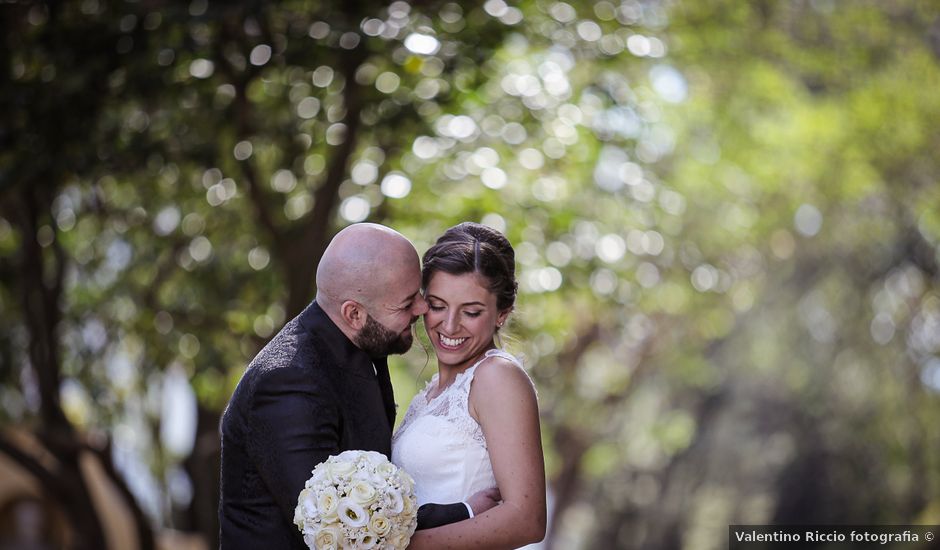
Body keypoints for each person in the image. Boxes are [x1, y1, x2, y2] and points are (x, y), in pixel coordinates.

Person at [218, 223, 497, 550]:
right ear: (354, 314)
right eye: (406, 304)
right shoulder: (289, 383)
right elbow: (336, 524)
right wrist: (465, 511)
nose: (422, 309)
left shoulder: (360, 346)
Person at [393, 222, 547, 549]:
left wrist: (400, 547)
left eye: (471, 311)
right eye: (437, 305)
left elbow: (527, 519)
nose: (449, 325)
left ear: (502, 313)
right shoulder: (434, 389)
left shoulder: (497, 376)